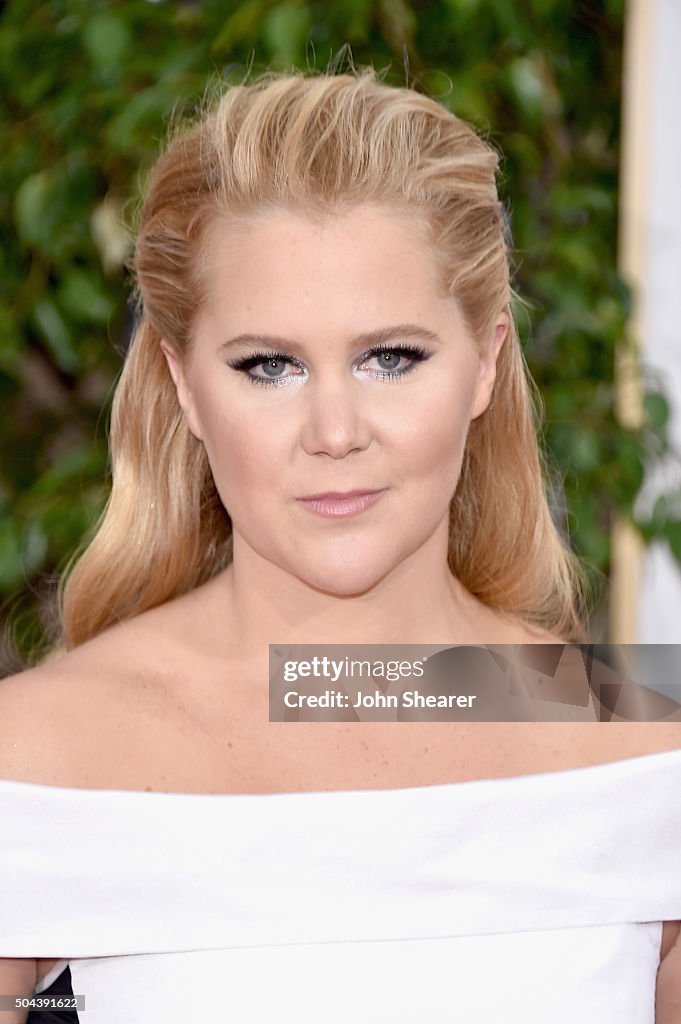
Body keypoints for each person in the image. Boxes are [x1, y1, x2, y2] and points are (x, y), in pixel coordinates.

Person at [0, 66, 679, 1023]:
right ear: (183, 383)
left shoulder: (648, 756)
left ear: (484, 361)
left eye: (389, 358)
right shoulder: (30, 758)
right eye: (268, 366)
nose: (332, 430)